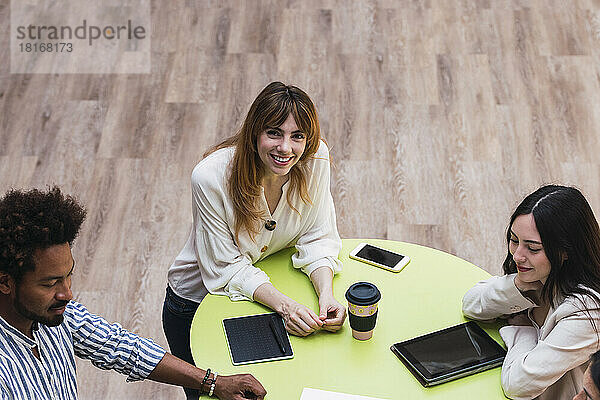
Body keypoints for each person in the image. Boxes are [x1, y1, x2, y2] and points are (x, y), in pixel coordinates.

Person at [163, 81, 346, 398]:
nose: (285, 148)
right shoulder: (209, 177)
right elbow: (225, 267)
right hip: (196, 303)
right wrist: (286, 306)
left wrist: (326, 294)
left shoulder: (316, 159)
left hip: (259, 296)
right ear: (254, 133)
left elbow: (317, 236)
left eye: (297, 136)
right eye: (274, 133)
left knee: (276, 388)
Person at [0, 187, 266, 400]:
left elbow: (123, 348)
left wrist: (213, 382)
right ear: (5, 282)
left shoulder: (55, 314)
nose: (67, 294)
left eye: (69, 275)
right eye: (50, 283)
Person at [462, 185, 600, 400]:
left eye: (533, 248)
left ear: (565, 252)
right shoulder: (540, 277)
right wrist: (519, 285)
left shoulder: (588, 311)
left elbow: (518, 385)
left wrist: (522, 330)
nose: (517, 255)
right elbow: (471, 305)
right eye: (514, 240)